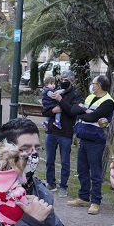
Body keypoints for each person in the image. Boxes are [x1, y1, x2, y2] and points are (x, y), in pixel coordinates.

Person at [64, 74, 114, 215]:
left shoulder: (108, 102)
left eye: (93, 83)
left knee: (95, 173)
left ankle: (95, 201)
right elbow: (75, 110)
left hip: (96, 141)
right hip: (84, 138)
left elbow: (92, 117)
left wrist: (83, 112)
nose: (92, 86)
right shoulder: (90, 97)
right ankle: (84, 197)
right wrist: (84, 112)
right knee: (82, 170)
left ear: (99, 85)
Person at [42, 70, 82, 198]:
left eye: (66, 80)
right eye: (62, 80)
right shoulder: (54, 91)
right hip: (51, 132)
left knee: (65, 161)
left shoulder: (75, 95)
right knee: (49, 160)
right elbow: (45, 110)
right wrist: (53, 110)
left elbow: (73, 112)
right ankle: (50, 183)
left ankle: (63, 186)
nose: (63, 82)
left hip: (65, 132)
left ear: (72, 81)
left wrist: (61, 100)